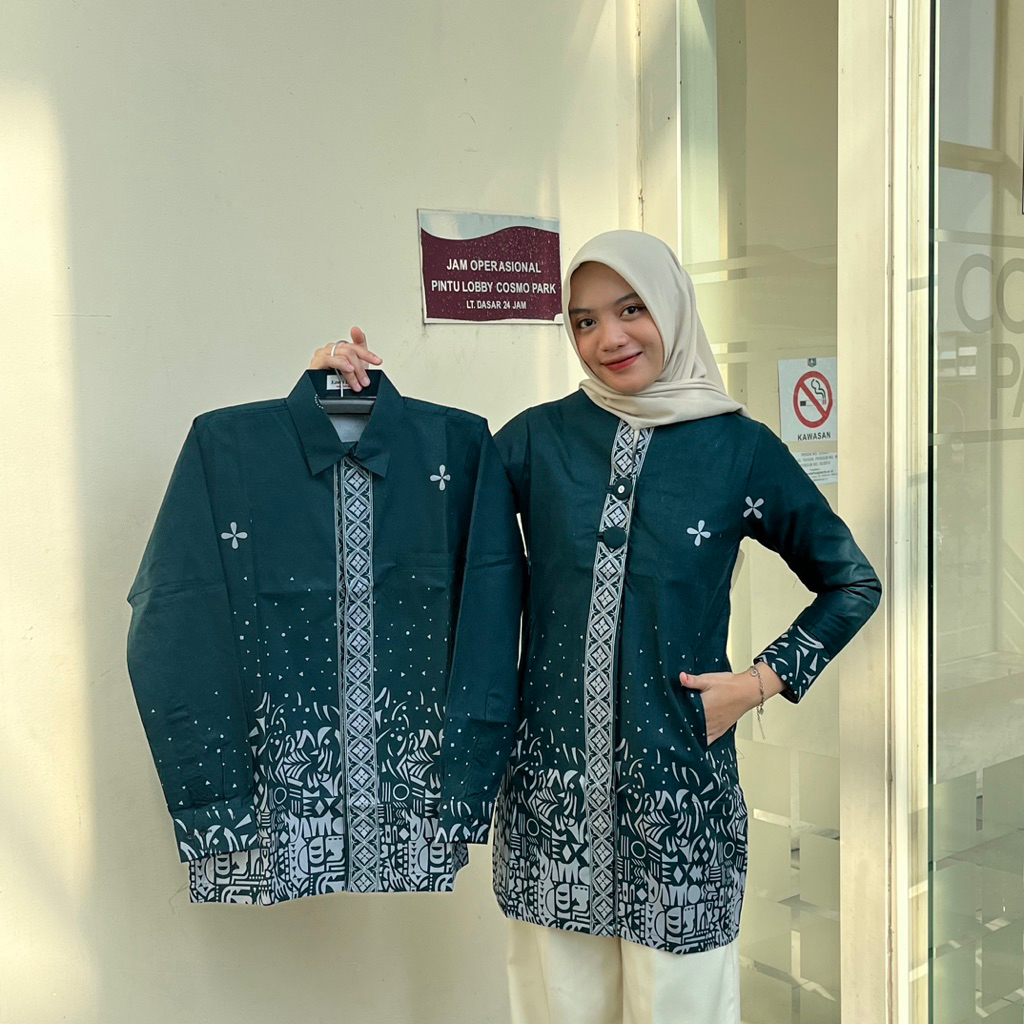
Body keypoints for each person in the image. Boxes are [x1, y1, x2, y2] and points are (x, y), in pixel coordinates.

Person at [309, 230, 881, 1024]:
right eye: (584, 321)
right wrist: (346, 398)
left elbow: (851, 582)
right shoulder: (538, 440)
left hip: (678, 803)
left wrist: (756, 684)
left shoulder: (738, 450)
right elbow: (424, 501)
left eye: (630, 309)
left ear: (672, 309)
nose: (608, 337)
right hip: (553, 805)